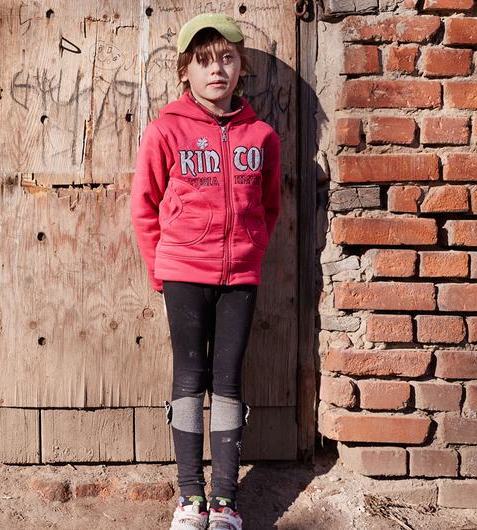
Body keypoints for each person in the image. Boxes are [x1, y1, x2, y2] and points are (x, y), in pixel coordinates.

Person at [130, 13, 281, 530]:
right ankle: (190, 497)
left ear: (240, 68)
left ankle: (225, 501)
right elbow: (144, 205)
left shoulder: (260, 135)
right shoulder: (166, 129)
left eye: (227, 59)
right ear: (185, 72)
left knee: (229, 381)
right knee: (190, 379)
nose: (216, 70)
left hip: (240, 275)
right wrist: (161, 269)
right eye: (203, 61)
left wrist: (252, 252)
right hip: (183, 272)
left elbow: (269, 205)